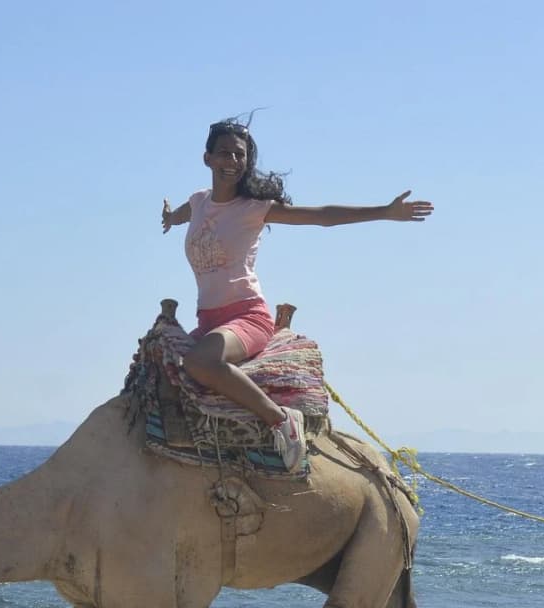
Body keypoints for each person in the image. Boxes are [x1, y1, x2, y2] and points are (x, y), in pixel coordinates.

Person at [162, 118, 433, 471]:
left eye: (240, 155)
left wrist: (384, 211)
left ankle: (281, 422)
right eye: (224, 153)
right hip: (208, 319)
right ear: (207, 158)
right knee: (166, 368)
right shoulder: (198, 202)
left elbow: (321, 216)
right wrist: (170, 217)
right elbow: (183, 215)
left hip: (246, 317)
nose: (232, 161)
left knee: (199, 362)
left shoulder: (253, 209)